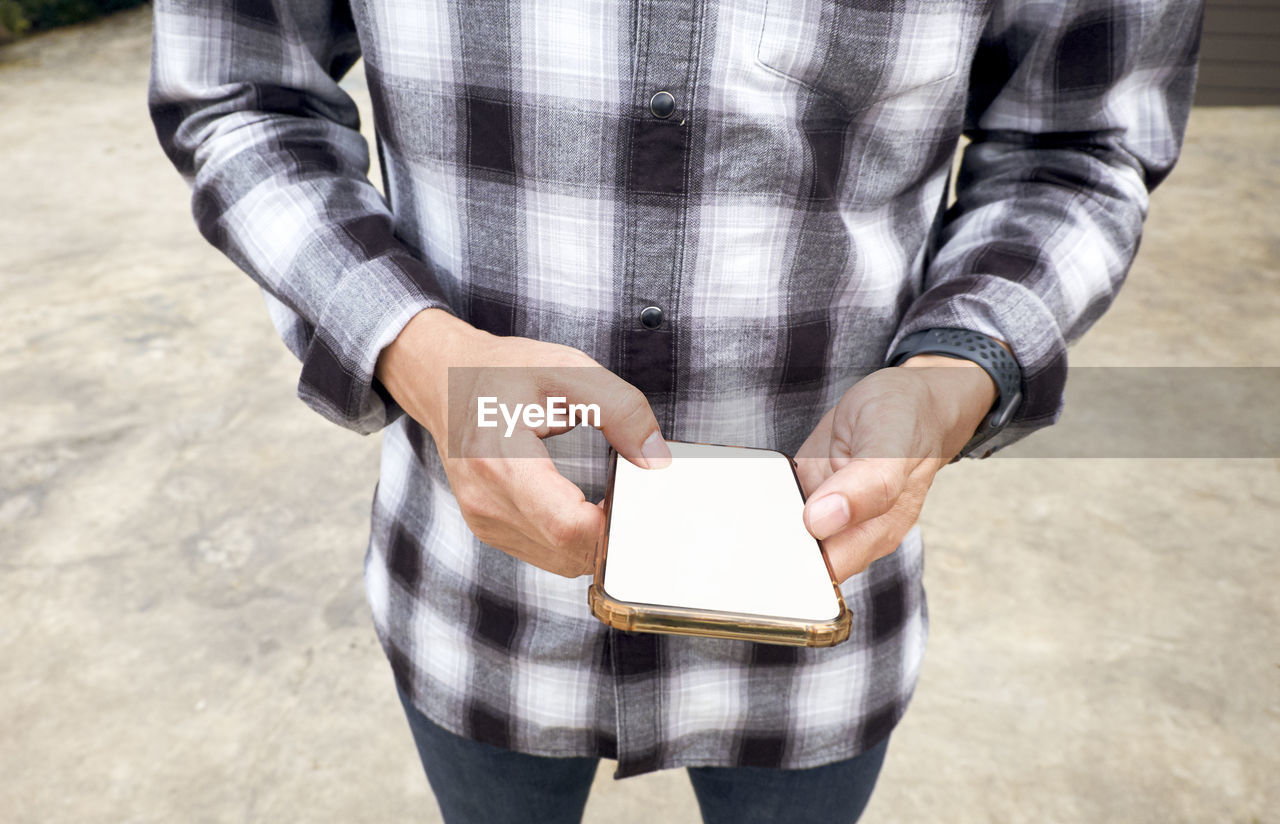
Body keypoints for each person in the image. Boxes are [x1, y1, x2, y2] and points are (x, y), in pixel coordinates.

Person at [149, 0, 1202, 821]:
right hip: (478, 597)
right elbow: (243, 89)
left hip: (818, 609)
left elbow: (1076, 144)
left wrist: (956, 367)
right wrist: (423, 355)